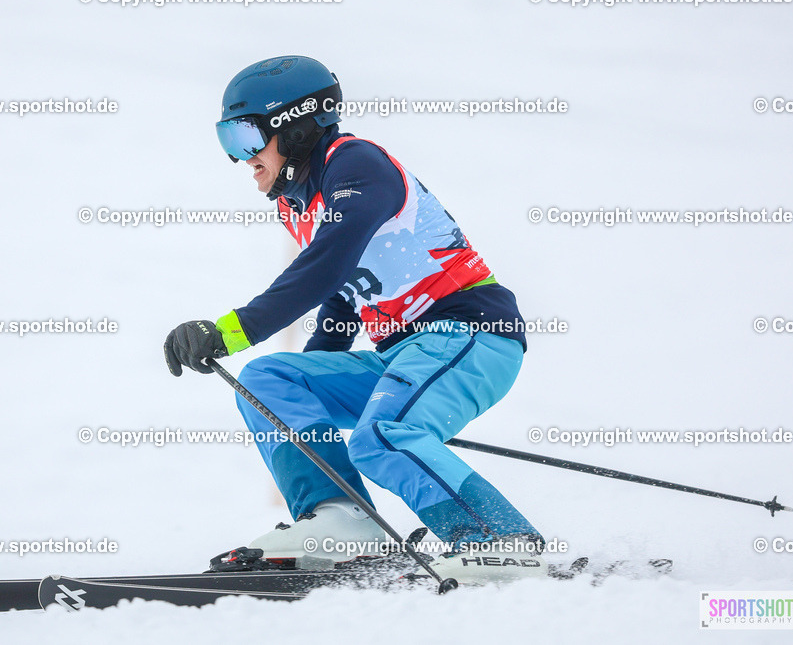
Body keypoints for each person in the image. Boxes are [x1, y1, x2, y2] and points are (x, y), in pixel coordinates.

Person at [164, 56, 545, 584]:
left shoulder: (357, 164)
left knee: (382, 436)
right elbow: (344, 297)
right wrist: (302, 400)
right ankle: (343, 522)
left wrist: (228, 331)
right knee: (270, 382)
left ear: (294, 129)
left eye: (248, 139)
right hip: (405, 353)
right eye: (229, 143)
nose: (242, 160)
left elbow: (329, 265)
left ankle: (502, 542)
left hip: (469, 334)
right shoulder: (299, 205)